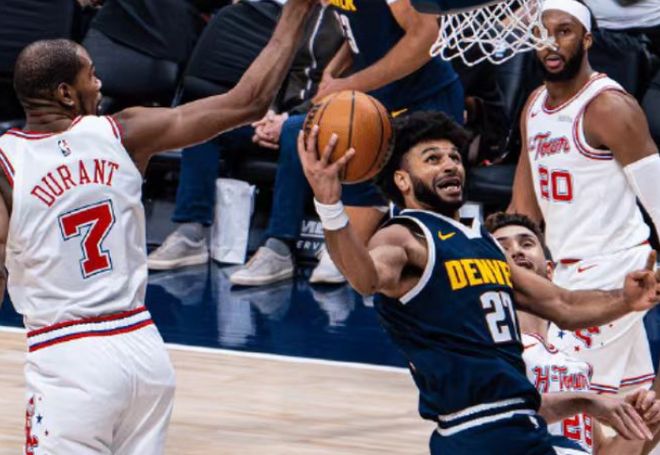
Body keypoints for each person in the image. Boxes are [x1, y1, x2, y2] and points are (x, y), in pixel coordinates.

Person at [0, 0, 314, 451]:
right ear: (66, 94)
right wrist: (296, 13)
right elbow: (248, 102)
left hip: (67, 356)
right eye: (91, 75)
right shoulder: (125, 133)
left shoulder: (7, 165)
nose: (100, 82)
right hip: (143, 352)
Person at [298, 109, 660, 453]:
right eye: (432, 159)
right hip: (475, 429)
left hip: (517, 423)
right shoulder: (405, 236)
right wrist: (330, 206)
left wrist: (626, 299)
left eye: (454, 157)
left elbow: (561, 304)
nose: (450, 165)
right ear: (402, 180)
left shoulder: (483, 243)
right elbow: (366, 278)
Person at [231, 0, 464, 286]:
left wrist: (350, 84)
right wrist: (333, 72)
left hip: (426, 98)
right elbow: (356, 33)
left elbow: (425, 38)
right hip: (378, 98)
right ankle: (279, 247)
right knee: (298, 130)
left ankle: (445, 265)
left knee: (419, 204)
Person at [508, 0, 660, 400]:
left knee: (561, 394)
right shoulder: (534, 106)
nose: (551, 43)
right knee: (634, 410)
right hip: (566, 273)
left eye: (564, 31)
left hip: (615, 271)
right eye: (542, 34)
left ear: (587, 39)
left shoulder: (609, 107)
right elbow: (522, 210)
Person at [148, 2, 344, 274]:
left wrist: (288, 118)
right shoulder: (296, 12)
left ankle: (280, 247)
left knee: (294, 130)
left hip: (325, 120)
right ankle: (191, 231)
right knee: (206, 122)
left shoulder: (354, 21)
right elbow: (278, 71)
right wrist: (269, 112)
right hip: (281, 117)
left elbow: (344, 87)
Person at [487, 212, 660, 454]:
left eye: (526, 243)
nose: (516, 251)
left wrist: (641, 421)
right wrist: (584, 401)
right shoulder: (488, 349)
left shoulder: (571, 363)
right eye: (502, 248)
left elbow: (603, 451)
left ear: (550, 271)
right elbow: (497, 418)